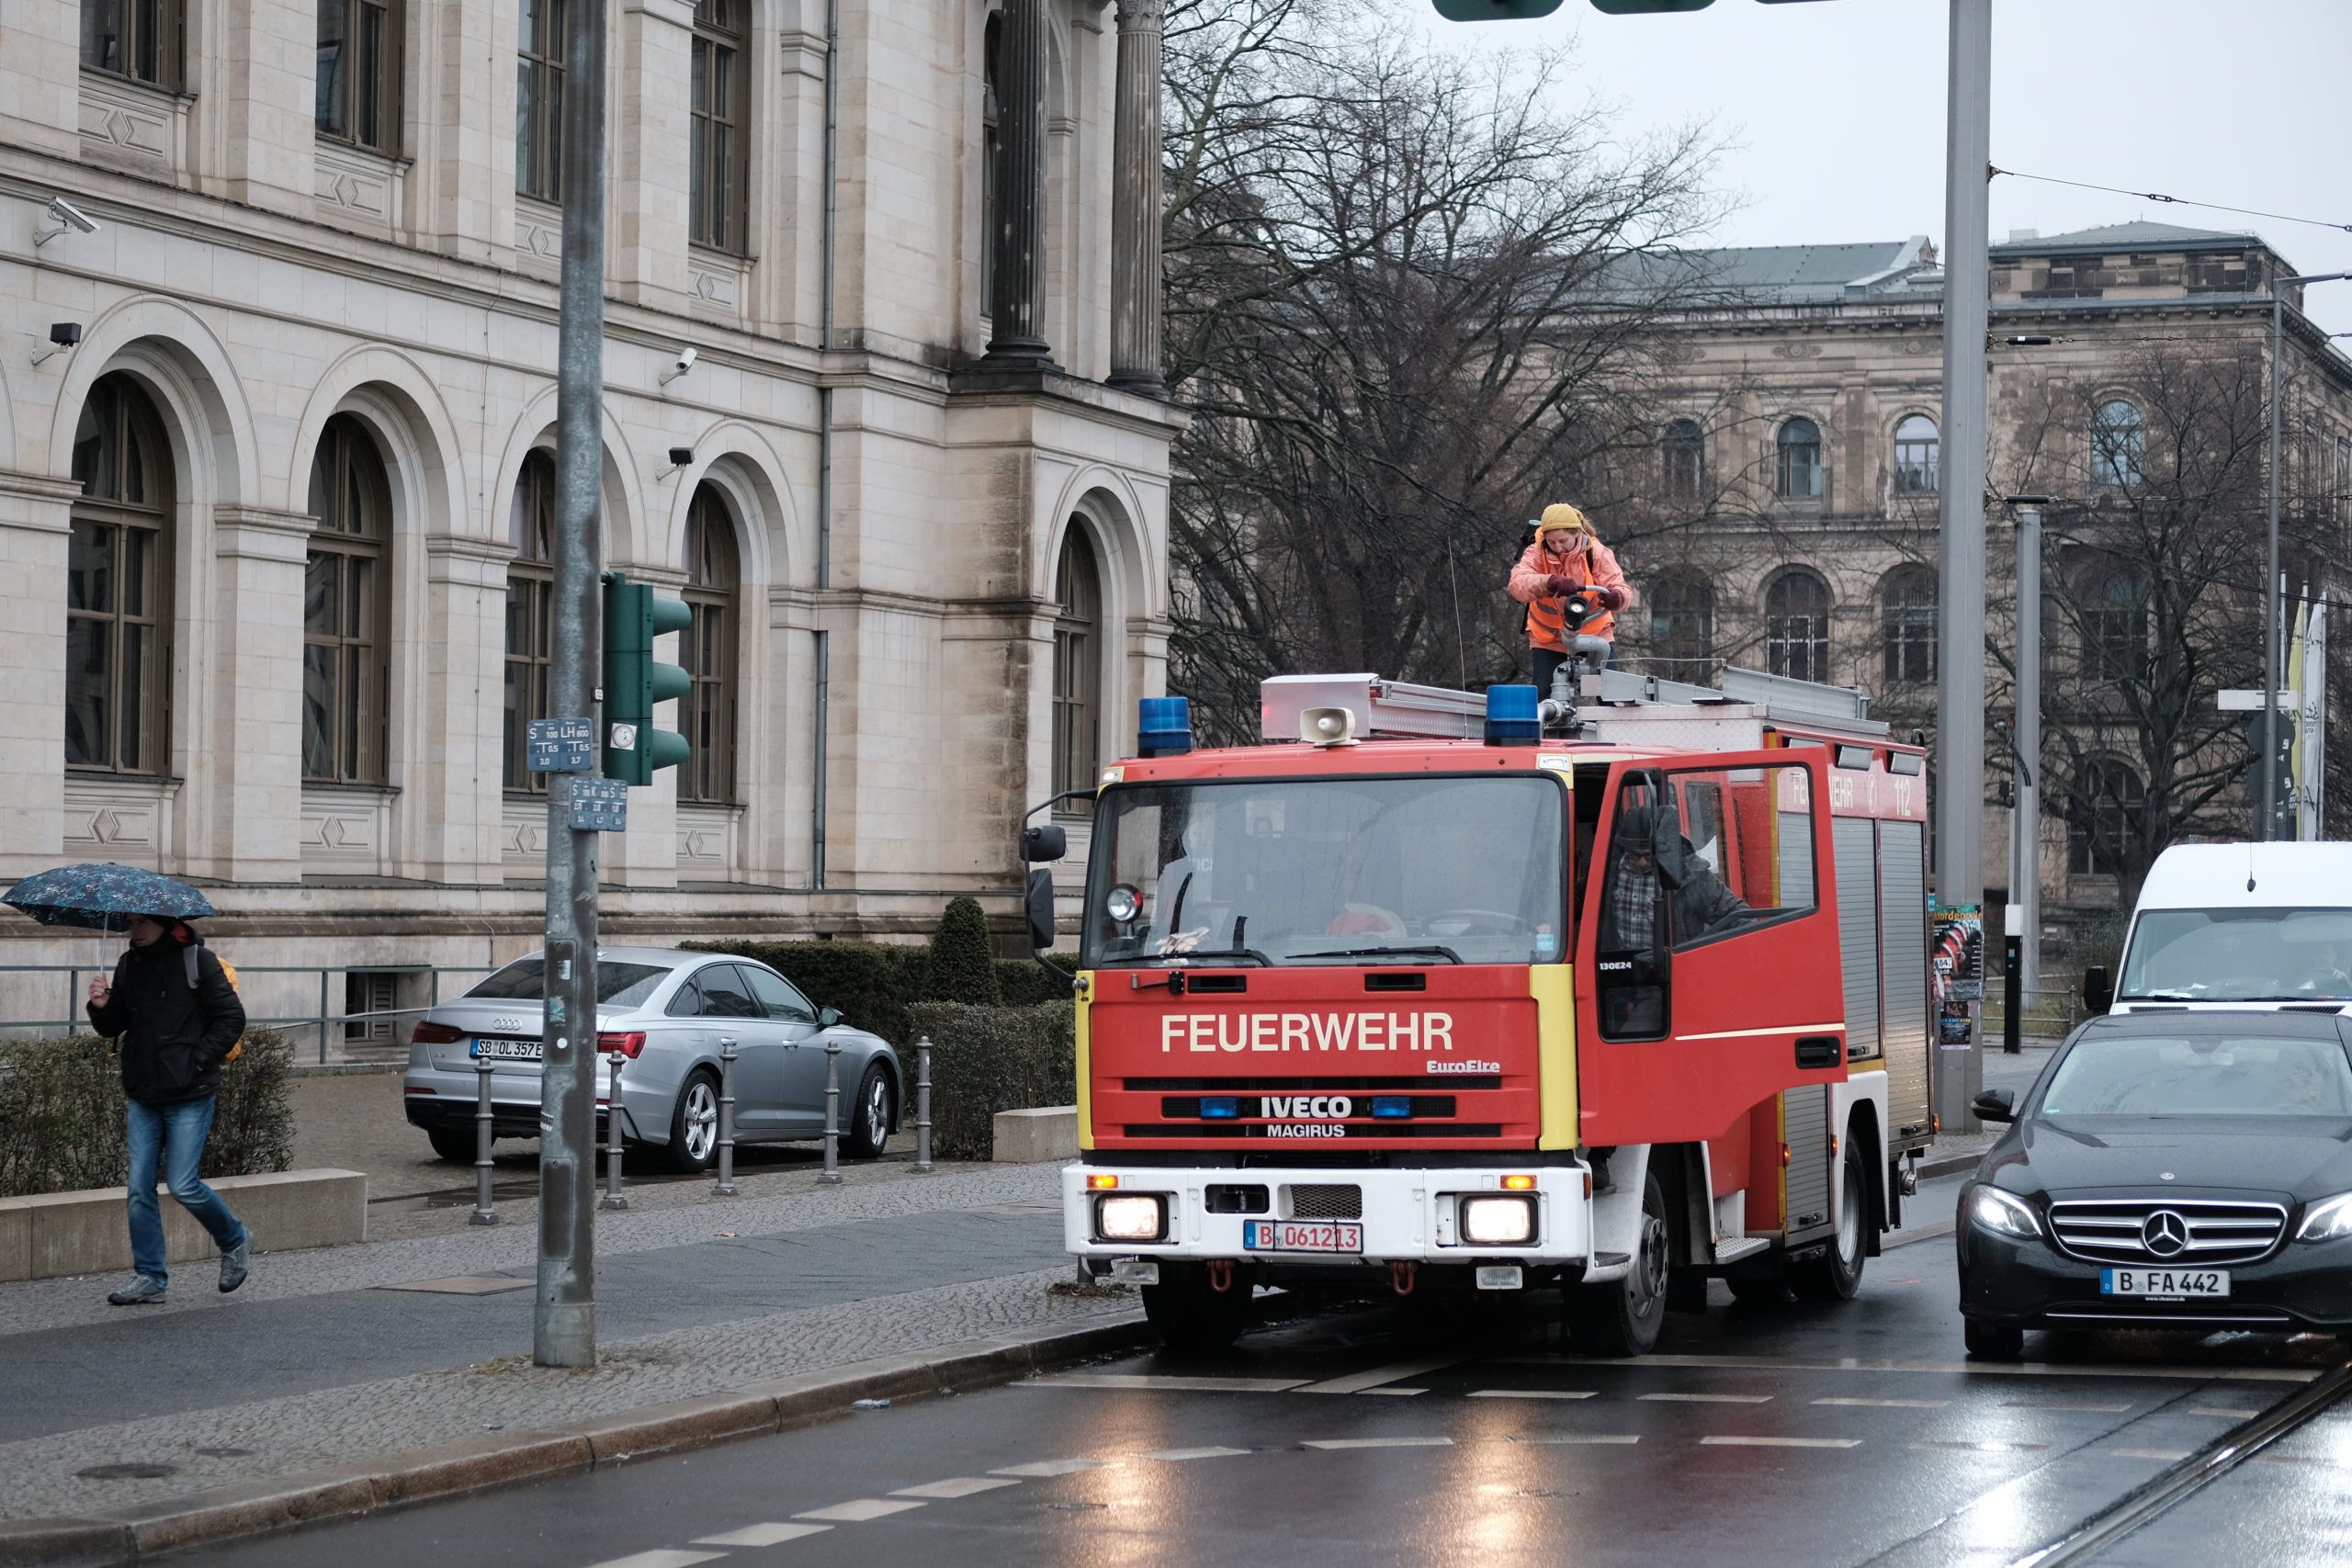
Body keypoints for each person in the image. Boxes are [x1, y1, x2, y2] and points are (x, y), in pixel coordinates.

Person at [86, 914, 253, 1306]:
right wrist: (102, 1006)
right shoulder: (130, 963)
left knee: (183, 1185)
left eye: (141, 922)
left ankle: (234, 1239)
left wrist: (197, 1060)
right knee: (138, 1189)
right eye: (128, 924)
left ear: (163, 922)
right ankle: (150, 1277)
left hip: (190, 1091)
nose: (134, 930)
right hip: (143, 1091)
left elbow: (232, 1018)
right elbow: (116, 1026)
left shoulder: (198, 960)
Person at [1508, 503, 1636, 694]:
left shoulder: (1596, 552)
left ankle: (1603, 721)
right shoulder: (1536, 552)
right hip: (1549, 640)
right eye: (1552, 542)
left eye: (1562, 540)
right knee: (1545, 697)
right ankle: (1553, 722)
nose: (1557, 547)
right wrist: (1550, 582)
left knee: (1607, 695)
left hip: (1594, 638)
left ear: (1576, 533)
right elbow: (1517, 584)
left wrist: (1617, 598)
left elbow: (1620, 587)